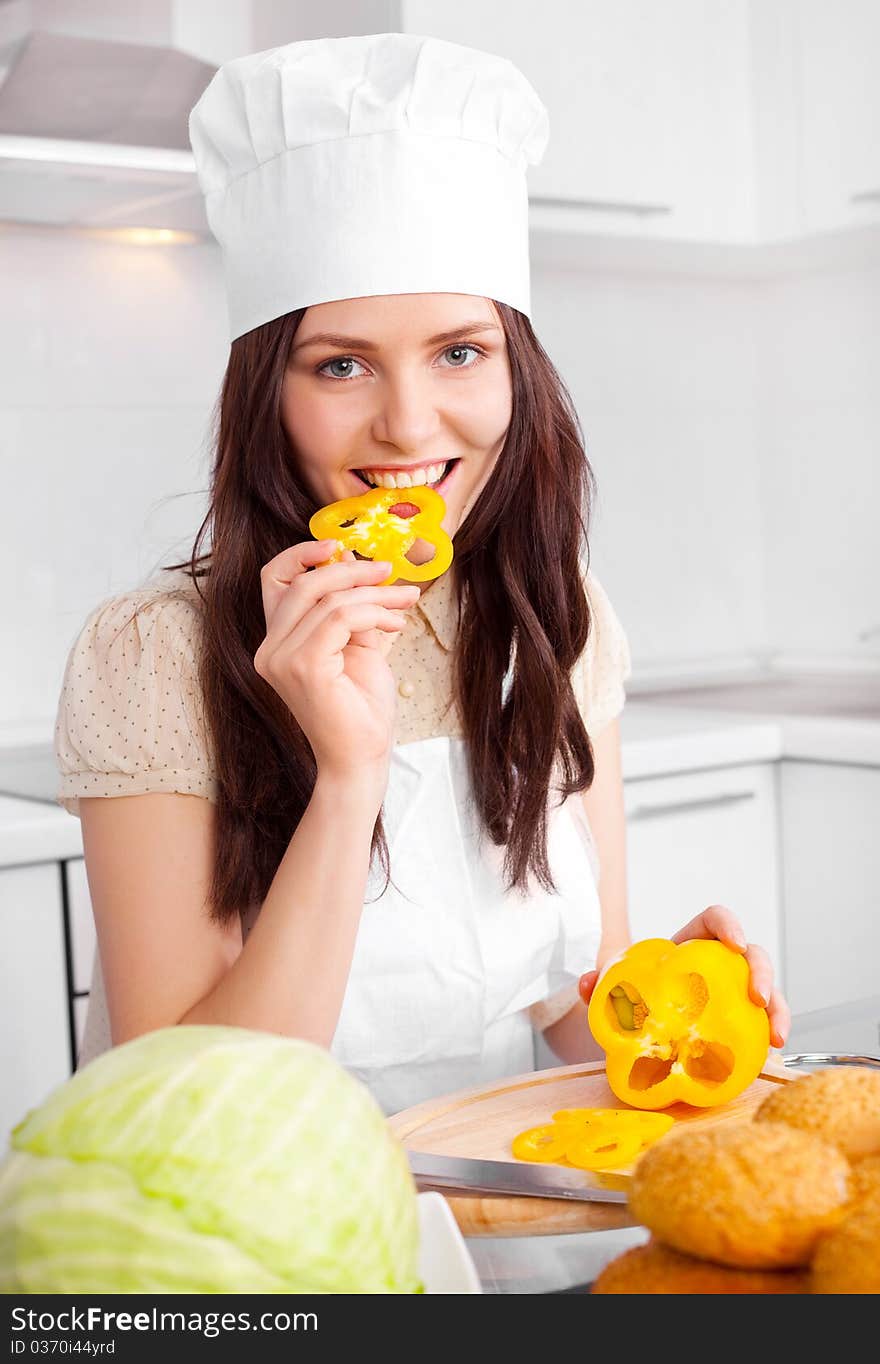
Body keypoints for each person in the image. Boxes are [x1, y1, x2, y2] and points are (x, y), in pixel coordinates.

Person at [54, 33, 789, 1117]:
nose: (407, 423)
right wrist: (346, 778)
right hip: (250, 1244)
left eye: (459, 351)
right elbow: (180, 1105)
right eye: (340, 363)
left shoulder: (559, 618)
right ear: (269, 391)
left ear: (516, 371)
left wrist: (667, 999)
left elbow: (567, 1011)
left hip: (494, 1212)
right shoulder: (152, 651)